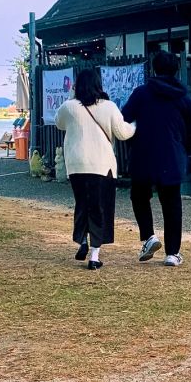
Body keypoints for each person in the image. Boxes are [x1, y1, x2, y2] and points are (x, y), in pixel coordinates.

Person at [55, 68, 136, 270]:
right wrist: (135, 125)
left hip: (76, 165)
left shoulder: (69, 107)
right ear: (99, 85)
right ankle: (94, 255)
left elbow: (59, 123)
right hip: (101, 165)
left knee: (82, 204)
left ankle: (82, 240)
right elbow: (123, 133)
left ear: (77, 86)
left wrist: (72, 95)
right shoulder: (108, 107)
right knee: (100, 208)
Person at [122, 50, 191, 267]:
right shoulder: (183, 97)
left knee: (139, 196)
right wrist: (184, 151)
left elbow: (124, 120)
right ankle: (172, 253)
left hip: (143, 154)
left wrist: (132, 142)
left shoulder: (141, 93)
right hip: (172, 156)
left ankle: (149, 236)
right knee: (172, 204)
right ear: (176, 70)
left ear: (154, 69)